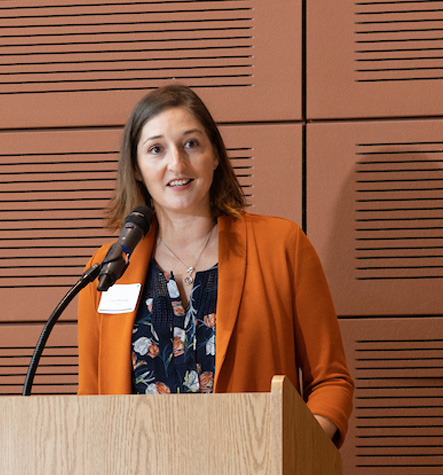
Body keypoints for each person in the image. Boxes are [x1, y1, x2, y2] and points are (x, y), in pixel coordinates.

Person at [77, 84, 354, 446]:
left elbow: (330, 382)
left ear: (216, 155)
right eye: (156, 149)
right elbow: (90, 403)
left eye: (191, 144)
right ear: (138, 168)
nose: (177, 163)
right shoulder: (109, 267)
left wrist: (296, 457)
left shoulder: (282, 247)